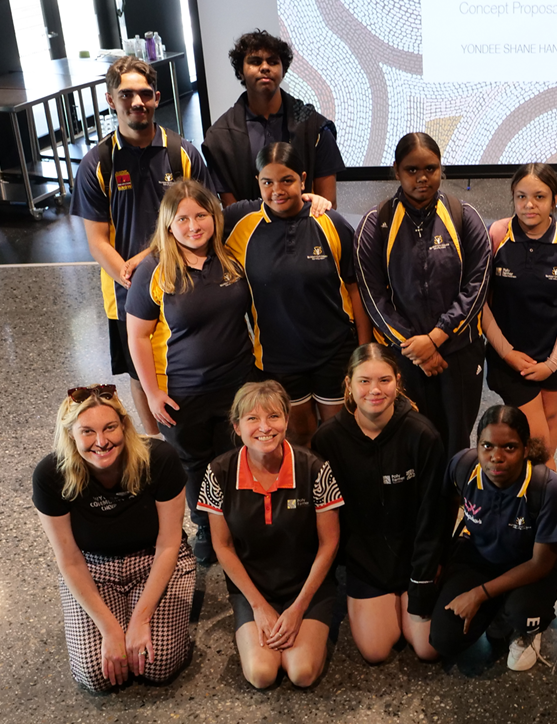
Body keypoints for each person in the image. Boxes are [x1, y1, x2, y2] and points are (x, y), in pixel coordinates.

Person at [72, 56, 217, 436]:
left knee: (190, 354)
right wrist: (127, 274)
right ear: (110, 99)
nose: (137, 101)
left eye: (145, 94)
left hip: (185, 280)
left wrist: (149, 258)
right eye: (126, 94)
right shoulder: (97, 163)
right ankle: (157, 444)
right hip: (125, 291)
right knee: (141, 371)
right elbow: (96, 239)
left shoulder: (181, 153)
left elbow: (208, 216)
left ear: (156, 97)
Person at [32, 385, 195, 691]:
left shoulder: (158, 459)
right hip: (93, 565)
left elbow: (169, 543)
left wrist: (141, 620)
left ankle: (140, 616)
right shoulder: (50, 475)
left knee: (157, 664)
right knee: (95, 673)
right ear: (70, 436)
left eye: (110, 428)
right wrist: (110, 630)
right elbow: (68, 559)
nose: (101, 441)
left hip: (153, 557)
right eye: (87, 432)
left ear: (125, 425)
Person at [126, 180, 255, 563]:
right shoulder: (154, 269)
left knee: (233, 458)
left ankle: (236, 524)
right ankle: (204, 525)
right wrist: (151, 394)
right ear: (168, 224)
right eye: (182, 218)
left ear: (214, 216)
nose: (194, 225)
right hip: (182, 393)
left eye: (201, 215)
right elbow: (137, 337)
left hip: (236, 383)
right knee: (196, 464)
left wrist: (314, 197)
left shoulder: (230, 256)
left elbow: (261, 198)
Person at [224, 142, 372, 445]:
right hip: (278, 358)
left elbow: (356, 289)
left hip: (334, 352)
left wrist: (364, 351)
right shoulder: (241, 225)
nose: (277, 190)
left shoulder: (330, 222)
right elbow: (187, 225)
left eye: (287, 180)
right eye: (268, 182)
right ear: (258, 183)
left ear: (303, 179)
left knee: (340, 435)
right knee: (299, 434)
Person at [354, 132, 492, 455]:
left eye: (430, 168)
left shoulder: (465, 217)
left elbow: (477, 286)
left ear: (441, 168)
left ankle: (454, 503)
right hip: (405, 356)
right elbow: (373, 298)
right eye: (411, 170)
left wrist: (437, 338)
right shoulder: (376, 225)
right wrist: (415, 346)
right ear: (396, 170)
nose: (422, 178)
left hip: (459, 352)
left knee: (457, 441)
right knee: (412, 441)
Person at [198, 381, 342, 688]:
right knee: (262, 674)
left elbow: (329, 544)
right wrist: (259, 606)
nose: (265, 427)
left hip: (306, 587)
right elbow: (222, 546)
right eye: (252, 419)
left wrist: (298, 608)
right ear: (236, 427)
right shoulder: (218, 472)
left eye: (274, 417)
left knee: (301, 672)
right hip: (252, 589)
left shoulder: (315, 469)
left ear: (287, 420)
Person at [312, 344, 446, 663]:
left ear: (397, 381)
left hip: (415, 558)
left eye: (384, 380)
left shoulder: (423, 435)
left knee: (427, 648)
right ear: (348, 384)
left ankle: (406, 596)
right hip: (366, 561)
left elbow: (433, 515)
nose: (375, 390)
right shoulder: (327, 440)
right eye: (364, 381)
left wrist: (422, 578)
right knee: (376, 651)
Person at [430, 406, 557, 671]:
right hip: (480, 555)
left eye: (509, 447)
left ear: (526, 449)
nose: (496, 457)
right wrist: (439, 560)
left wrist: (478, 594)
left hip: (528, 564)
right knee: (443, 640)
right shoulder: (463, 465)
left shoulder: (547, 488)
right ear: (477, 445)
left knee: (522, 612)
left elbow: (541, 564)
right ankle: (498, 611)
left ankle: (525, 627)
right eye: (487, 446)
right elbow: (447, 507)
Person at [481, 162, 557, 469]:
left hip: (554, 353)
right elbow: (481, 305)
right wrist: (508, 354)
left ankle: (536, 491)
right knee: (538, 442)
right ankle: (550, 496)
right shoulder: (496, 235)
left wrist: (552, 363)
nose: (529, 205)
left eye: (539, 197)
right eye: (521, 197)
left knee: (550, 418)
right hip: (510, 359)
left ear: (555, 198)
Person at [203, 29, 345, 207]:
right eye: (255, 62)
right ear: (240, 71)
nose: (265, 67)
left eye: (273, 62)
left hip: (306, 227)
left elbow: (328, 204)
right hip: (251, 231)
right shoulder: (219, 138)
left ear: (283, 71)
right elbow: (233, 213)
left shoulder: (316, 127)